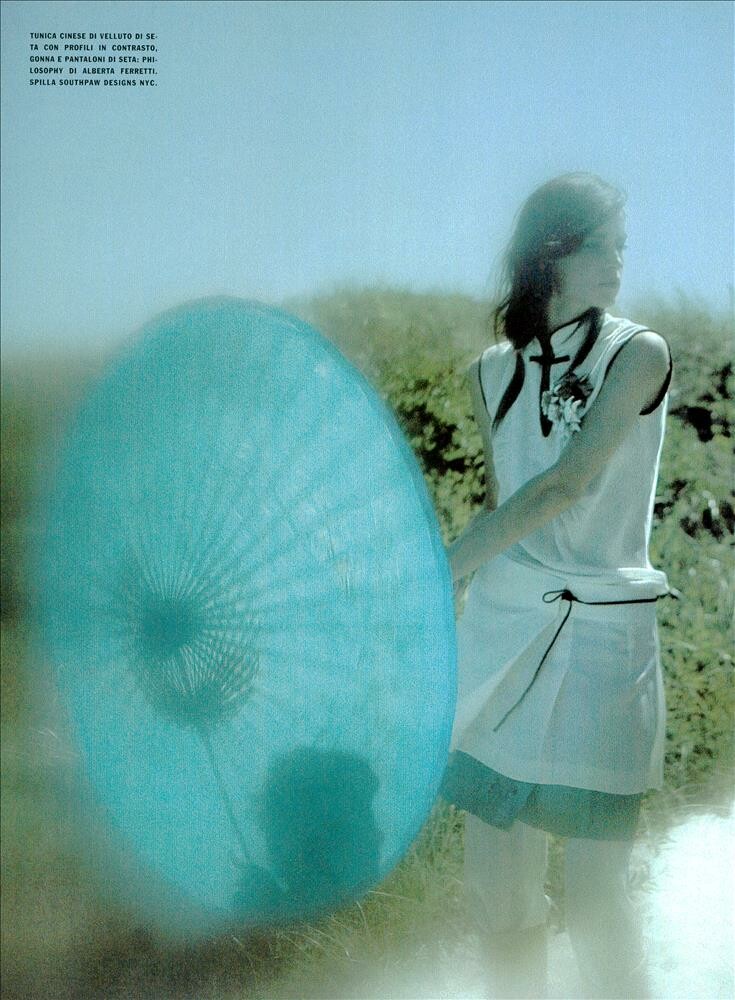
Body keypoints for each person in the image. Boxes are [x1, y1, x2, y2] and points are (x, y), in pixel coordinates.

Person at [442, 173, 673, 999]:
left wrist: (436, 574)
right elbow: (508, 499)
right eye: (597, 245)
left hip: (604, 642)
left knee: (594, 901)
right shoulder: (490, 371)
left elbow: (562, 488)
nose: (617, 262)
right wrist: (456, 587)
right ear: (548, 253)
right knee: (497, 891)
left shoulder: (637, 352)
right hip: (503, 633)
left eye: (621, 246)